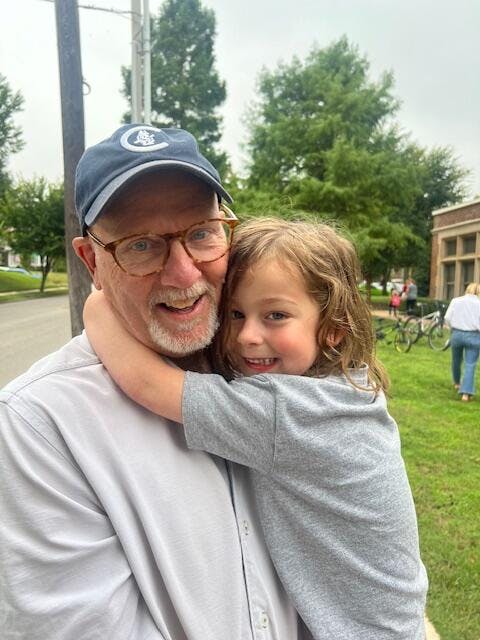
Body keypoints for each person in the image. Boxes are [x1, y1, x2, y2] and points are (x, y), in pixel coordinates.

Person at [0, 125, 302, 639]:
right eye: (141, 245)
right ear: (92, 262)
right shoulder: (40, 427)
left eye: (202, 233)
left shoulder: (285, 368)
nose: (183, 274)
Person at [85, 217, 428, 639]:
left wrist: (98, 304)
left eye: (276, 315)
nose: (247, 335)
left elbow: (148, 383)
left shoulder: (286, 413)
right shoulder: (343, 390)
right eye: (235, 314)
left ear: (333, 329)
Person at [444, 282, 480, 402]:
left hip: (457, 334)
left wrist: (452, 327)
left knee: (456, 360)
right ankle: (466, 393)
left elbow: (447, 318)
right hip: (474, 335)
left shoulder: (456, 301)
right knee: (470, 364)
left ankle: (457, 382)